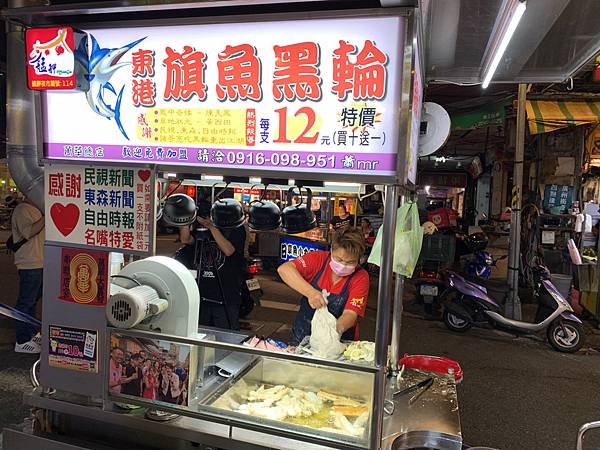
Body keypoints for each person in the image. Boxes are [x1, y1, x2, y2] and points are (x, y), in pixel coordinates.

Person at [278, 228, 369, 345]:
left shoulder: (361, 277)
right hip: (302, 334)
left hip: (339, 341)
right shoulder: (318, 259)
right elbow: (284, 269)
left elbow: (350, 314)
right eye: (339, 259)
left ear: (359, 259)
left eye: (350, 262)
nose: (343, 265)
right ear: (331, 250)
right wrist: (311, 293)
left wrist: (333, 331)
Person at [179, 204, 246, 330]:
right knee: (200, 334)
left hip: (226, 295)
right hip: (201, 293)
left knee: (225, 336)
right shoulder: (201, 229)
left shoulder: (235, 228)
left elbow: (228, 250)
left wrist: (211, 227)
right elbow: (185, 239)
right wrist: (186, 218)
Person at [11, 196, 45, 353]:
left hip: (39, 262)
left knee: (31, 300)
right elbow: (28, 232)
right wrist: (46, 217)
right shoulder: (22, 209)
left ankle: (30, 334)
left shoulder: (36, 209)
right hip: (30, 263)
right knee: (26, 301)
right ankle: (22, 339)